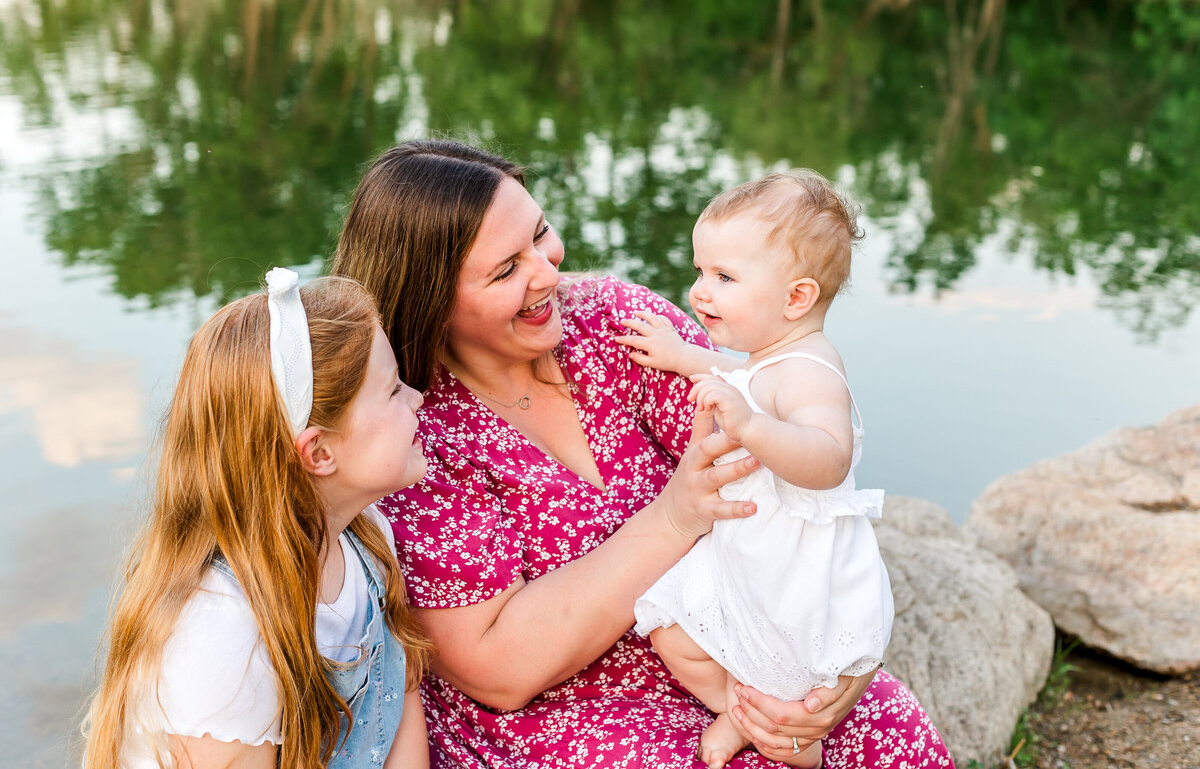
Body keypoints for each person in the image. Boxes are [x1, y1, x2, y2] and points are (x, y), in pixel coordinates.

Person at [331, 139, 954, 769]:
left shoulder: (614, 325)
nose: (549, 273)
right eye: (505, 271)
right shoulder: (407, 429)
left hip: (731, 638)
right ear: (430, 296)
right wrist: (675, 516)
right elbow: (495, 670)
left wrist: (832, 673)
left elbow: (790, 470)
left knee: (884, 725)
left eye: (541, 235)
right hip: (562, 709)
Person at [83, 270, 432, 769]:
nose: (416, 397)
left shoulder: (366, 536)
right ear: (320, 452)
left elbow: (401, 706)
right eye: (394, 389)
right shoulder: (220, 636)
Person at [625, 172, 893, 769]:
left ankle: (784, 731)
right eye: (699, 271)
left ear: (795, 298)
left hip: (793, 571)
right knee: (671, 627)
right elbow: (733, 370)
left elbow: (829, 458)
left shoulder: (813, 369)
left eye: (723, 277)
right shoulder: (767, 354)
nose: (699, 292)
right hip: (747, 552)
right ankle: (747, 713)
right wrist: (680, 356)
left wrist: (749, 427)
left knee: (785, 655)